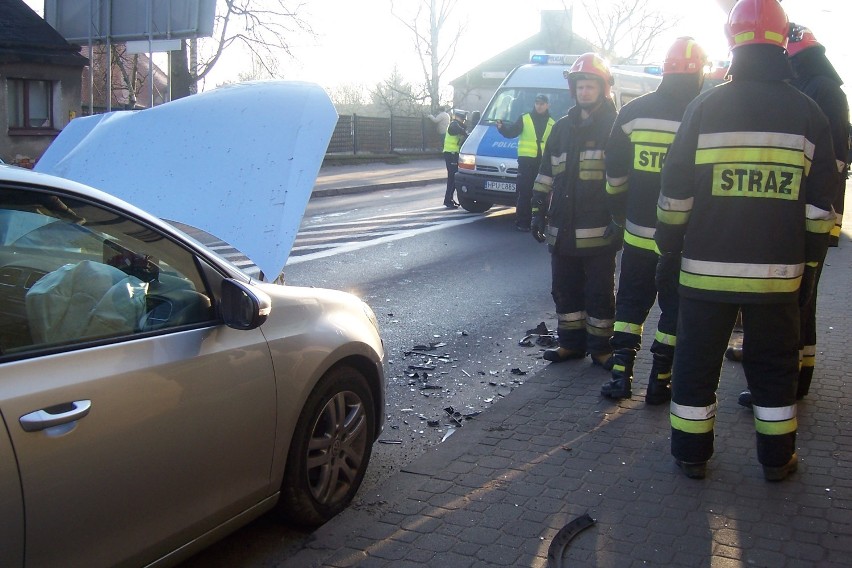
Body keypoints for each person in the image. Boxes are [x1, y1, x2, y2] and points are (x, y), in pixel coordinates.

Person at [655, 0, 837, 481]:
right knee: (775, 367)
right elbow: (822, 206)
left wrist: (668, 246)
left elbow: (675, 191)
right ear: (782, 40)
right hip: (778, 276)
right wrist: (811, 260)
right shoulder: (808, 112)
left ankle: (692, 455)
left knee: (696, 363)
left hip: (704, 271)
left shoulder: (705, 106)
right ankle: (777, 461)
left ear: (731, 41)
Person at [735, 23, 850, 407]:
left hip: (805, 215)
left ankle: (787, 379)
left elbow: (824, 164)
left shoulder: (818, 92)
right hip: (808, 213)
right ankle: (794, 373)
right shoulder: (823, 89)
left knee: (793, 303)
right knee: (798, 301)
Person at [600, 37, 708, 403]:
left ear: (664, 70)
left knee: (630, 304)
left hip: (637, 235)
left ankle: (619, 376)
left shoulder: (634, 112)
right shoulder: (706, 113)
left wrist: (620, 215)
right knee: (673, 310)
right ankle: (660, 381)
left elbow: (614, 176)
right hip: (683, 240)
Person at [531, 53, 620, 368]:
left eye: (590, 86)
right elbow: (545, 171)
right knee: (564, 291)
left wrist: (619, 219)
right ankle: (571, 345)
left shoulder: (615, 126)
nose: (584, 92)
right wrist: (536, 209)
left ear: (602, 89)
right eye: (580, 86)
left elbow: (625, 179)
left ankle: (601, 348)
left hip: (598, 232)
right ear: (574, 89)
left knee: (599, 294)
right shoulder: (562, 128)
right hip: (563, 230)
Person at [495, 94, 555, 231]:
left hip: (543, 164)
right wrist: (502, 128)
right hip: (526, 162)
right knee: (524, 192)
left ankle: (540, 220)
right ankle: (523, 222)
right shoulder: (525, 118)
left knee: (541, 193)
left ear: (548, 105)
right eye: (537, 103)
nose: (539, 106)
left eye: (542, 103)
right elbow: (512, 132)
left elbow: (555, 144)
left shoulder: (552, 122)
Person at [442, 109, 468, 208]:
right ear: (457, 117)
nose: (463, 121)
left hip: (453, 154)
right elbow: (457, 129)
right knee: (452, 177)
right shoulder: (453, 125)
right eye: (462, 119)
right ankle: (448, 200)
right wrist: (465, 131)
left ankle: (449, 199)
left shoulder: (457, 125)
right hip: (450, 154)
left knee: (453, 177)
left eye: (464, 120)